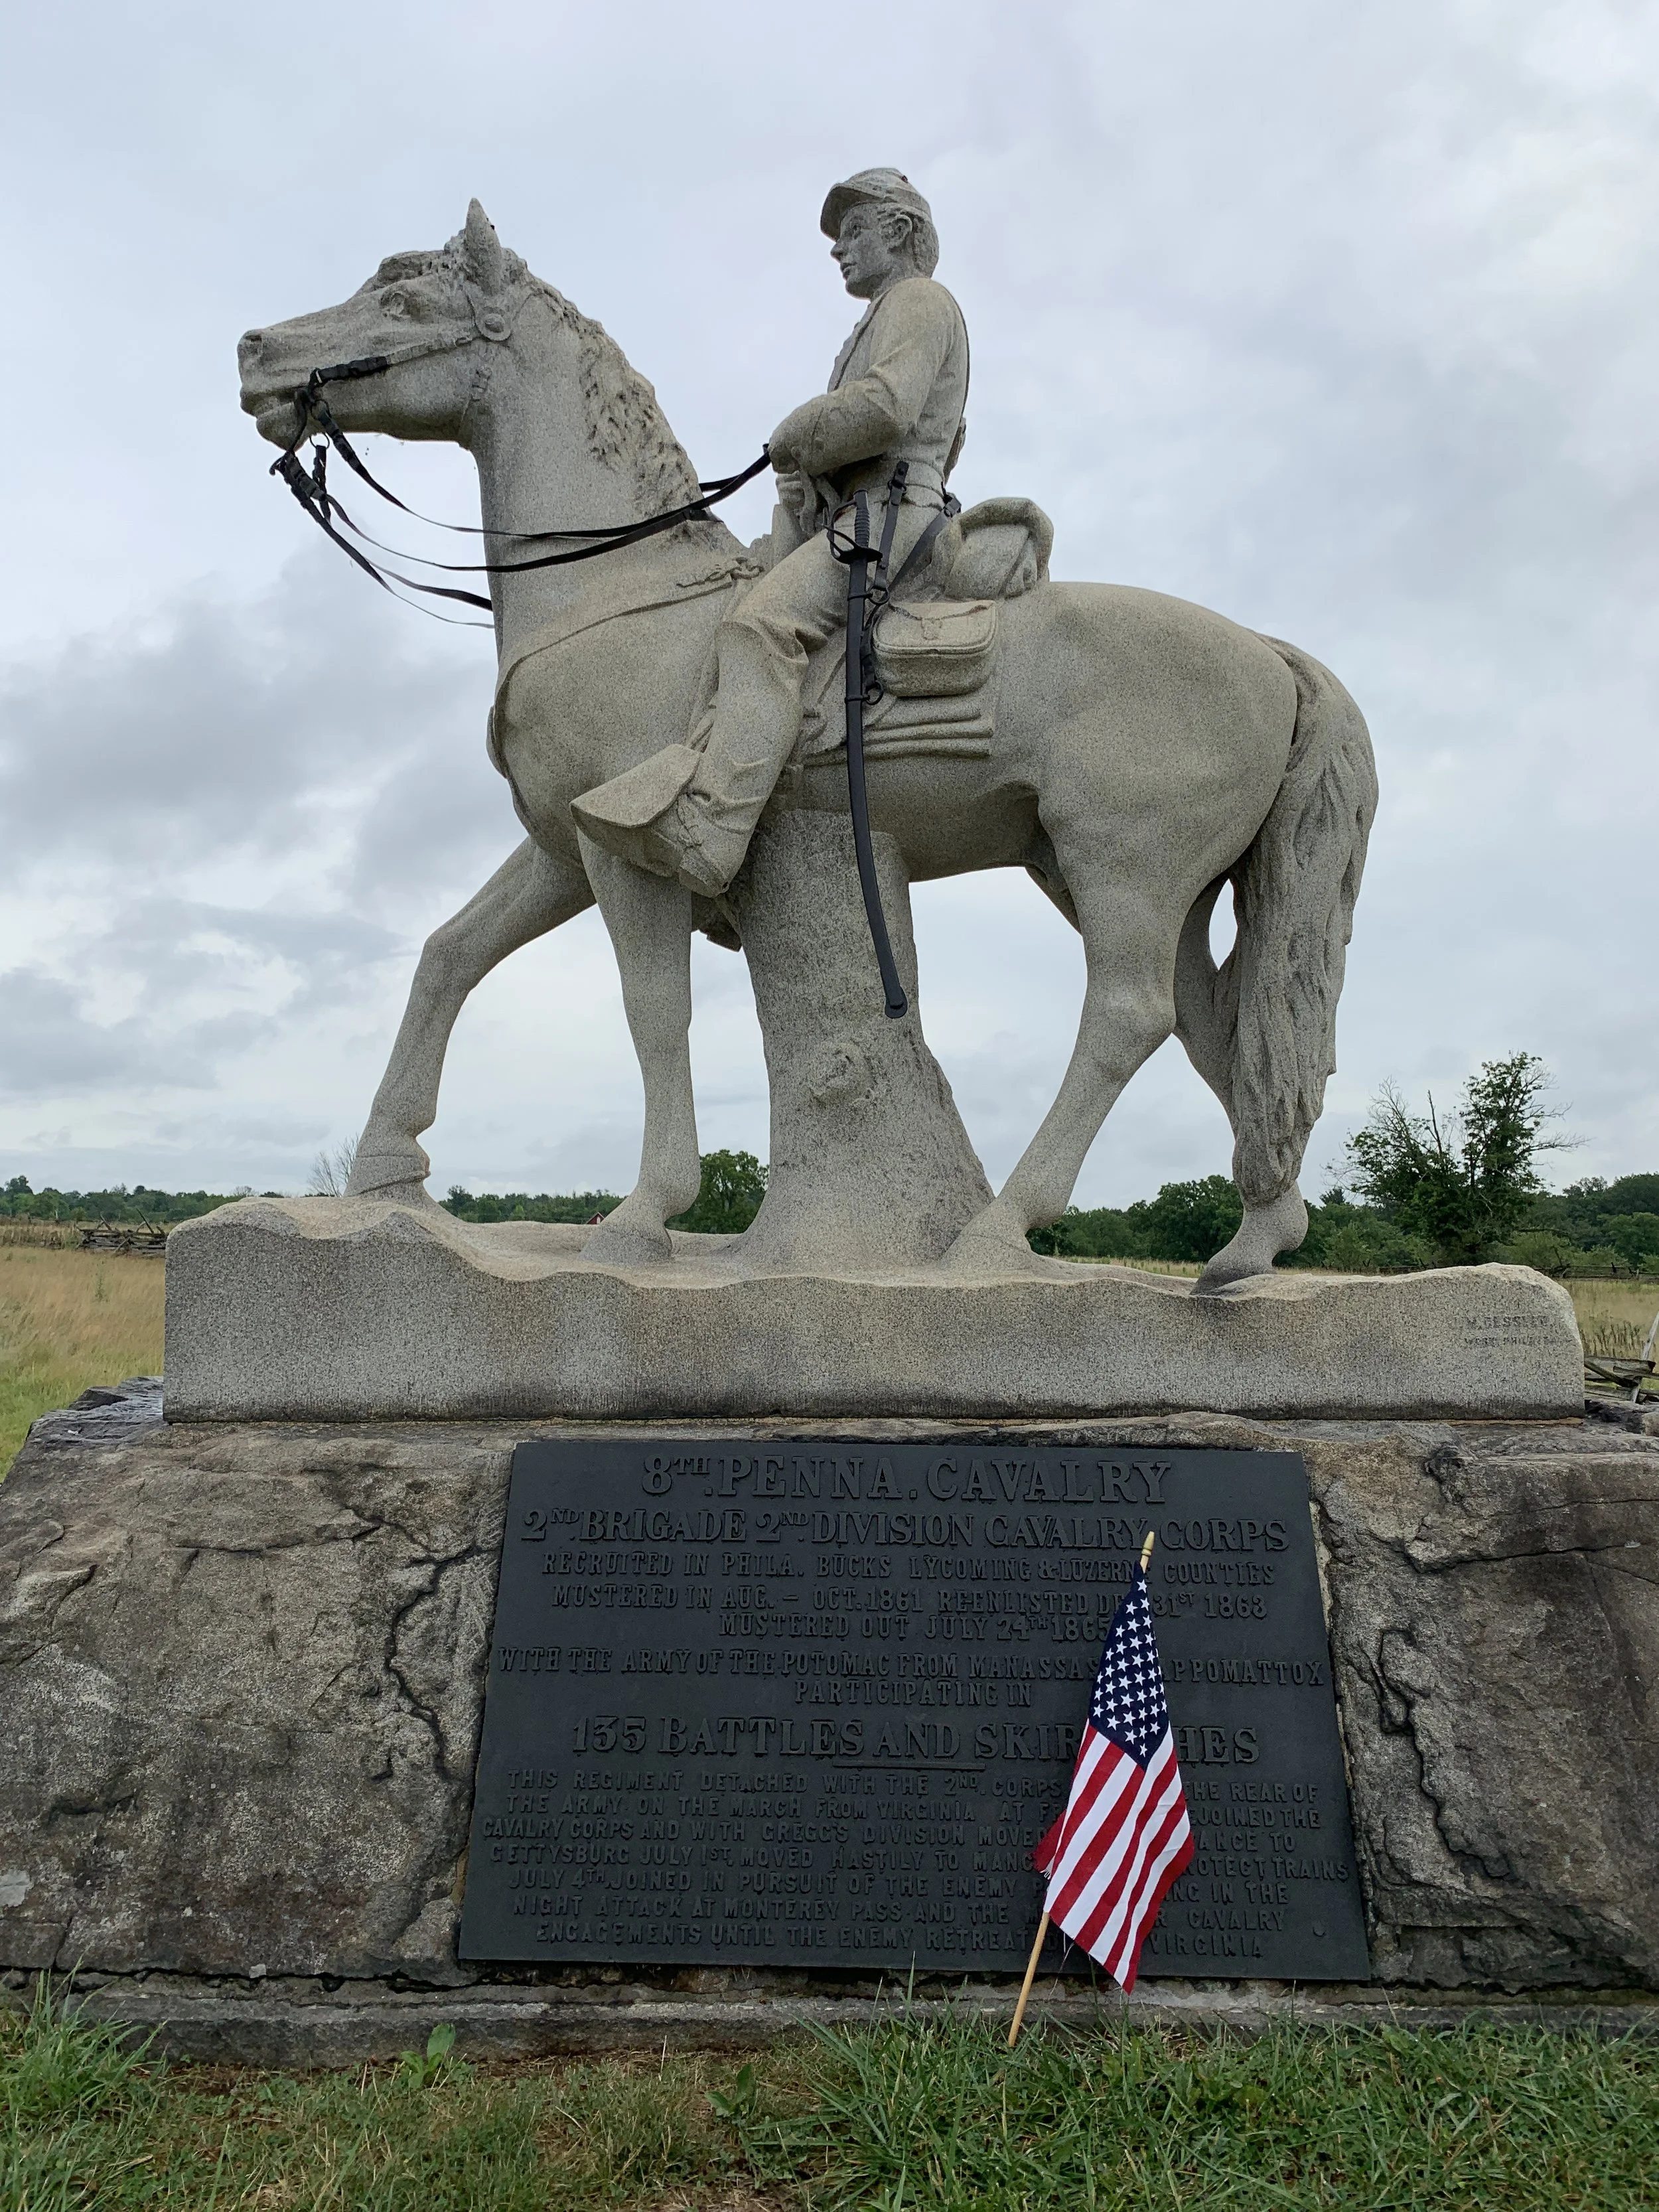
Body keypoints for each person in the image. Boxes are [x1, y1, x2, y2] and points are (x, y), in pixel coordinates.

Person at [573, 169, 970, 897]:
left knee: (759, 627)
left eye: (853, 231)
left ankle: (715, 827)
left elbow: (887, 408)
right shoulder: (885, 314)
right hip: (858, 517)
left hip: (888, 519)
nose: (837, 250)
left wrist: (801, 430)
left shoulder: (918, 300)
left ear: (902, 232)